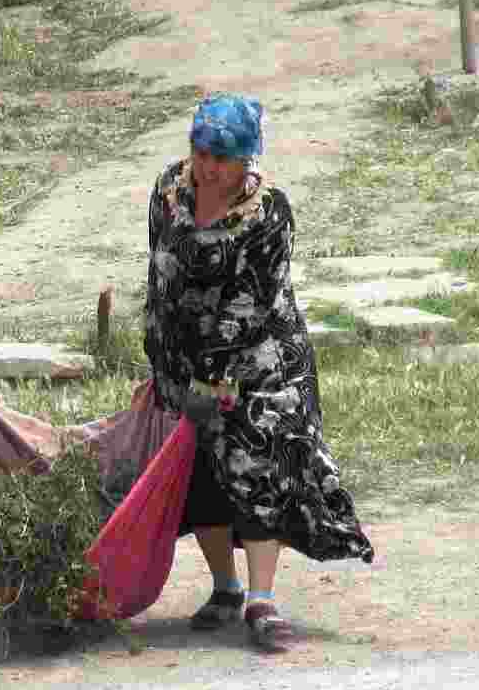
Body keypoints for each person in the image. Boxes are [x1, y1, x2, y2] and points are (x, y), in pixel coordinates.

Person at [142, 93, 374, 650]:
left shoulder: (270, 213)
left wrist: (213, 379)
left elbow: (252, 305)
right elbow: (157, 276)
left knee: (257, 468)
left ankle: (261, 599)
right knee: (198, 473)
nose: (207, 166)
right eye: (201, 151)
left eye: (221, 156)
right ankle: (224, 588)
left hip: (262, 366)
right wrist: (161, 364)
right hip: (188, 361)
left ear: (247, 159)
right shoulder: (167, 192)